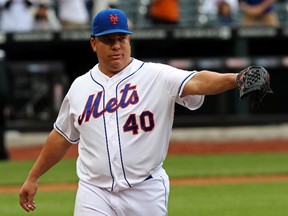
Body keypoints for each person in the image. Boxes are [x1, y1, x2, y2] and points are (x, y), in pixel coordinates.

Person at [19, 8, 242, 215]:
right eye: (108, 40)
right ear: (94, 44)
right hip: (94, 191)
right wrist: (33, 176)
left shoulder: (156, 75)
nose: (116, 45)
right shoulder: (80, 87)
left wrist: (236, 78)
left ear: (129, 40)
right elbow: (61, 136)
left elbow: (197, 81)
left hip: (145, 190)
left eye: (121, 39)